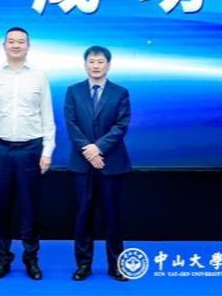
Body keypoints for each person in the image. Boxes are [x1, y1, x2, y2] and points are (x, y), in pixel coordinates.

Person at [0, 27, 55, 280]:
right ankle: (3, 259)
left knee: (30, 208)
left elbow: (47, 115)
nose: (15, 45)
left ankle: (31, 259)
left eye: (20, 42)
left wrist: (47, 151)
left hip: (31, 149)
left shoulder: (39, 76)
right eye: (11, 41)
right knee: (2, 208)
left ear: (28, 46)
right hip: (0, 149)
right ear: (4, 46)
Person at [64, 45, 131, 282]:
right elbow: (71, 124)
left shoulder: (120, 92)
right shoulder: (73, 91)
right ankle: (83, 265)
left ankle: (116, 265)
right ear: (85, 65)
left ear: (108, 65)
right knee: (83, 215)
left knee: (113, 217)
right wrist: (89, 150)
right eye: (91, 61)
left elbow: (121, 125)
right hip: (82, 164)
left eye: (100, 61)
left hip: (111, 163)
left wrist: (98, 147)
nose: (96, 66)